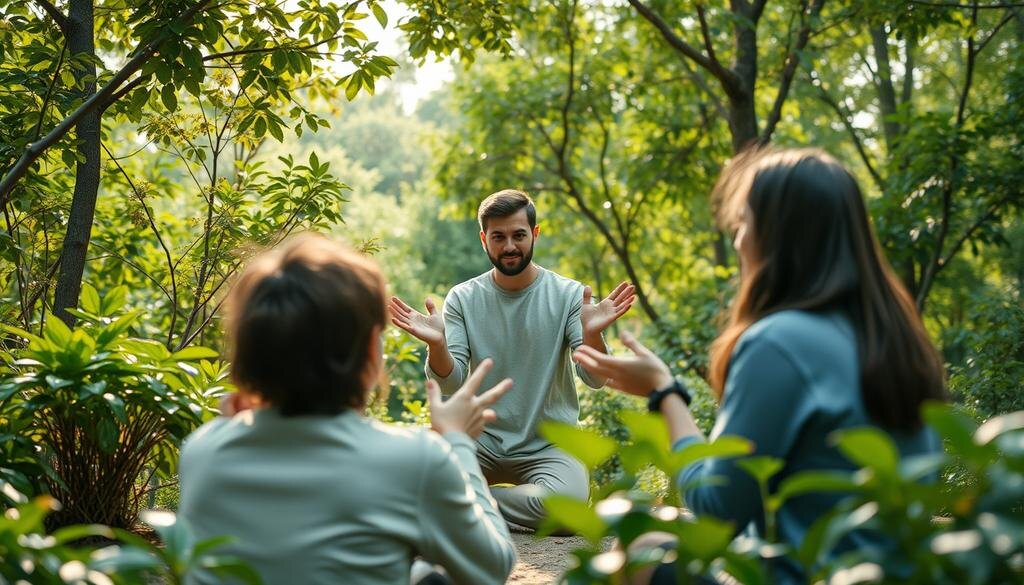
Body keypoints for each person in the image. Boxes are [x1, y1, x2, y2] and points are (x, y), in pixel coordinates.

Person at [572, 147, 949, 584]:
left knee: (641, 545)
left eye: (743, 224)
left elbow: (717, 506)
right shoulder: (899, 337)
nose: (736, 241)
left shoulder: (779, 342)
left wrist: (664, 393)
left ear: (777, 238)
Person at [178, 235, 517, 585]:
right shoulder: (415, 460)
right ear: (371, 351)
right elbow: (492, 568)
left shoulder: (201, 450)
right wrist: (457, 443)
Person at [389, 189, 636, 531]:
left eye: (518, 235)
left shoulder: (568, 295)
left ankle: (467, 505)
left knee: (566, 509)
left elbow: (594, 378)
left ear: (534, 234)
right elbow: (452, 381)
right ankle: (473, 503)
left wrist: (592, 334)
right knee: (419, 479)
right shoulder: (463, 297)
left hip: (550, 444)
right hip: (480, 436)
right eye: (498, 237)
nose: (509, 246)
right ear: (483, 239)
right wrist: (437, 345)